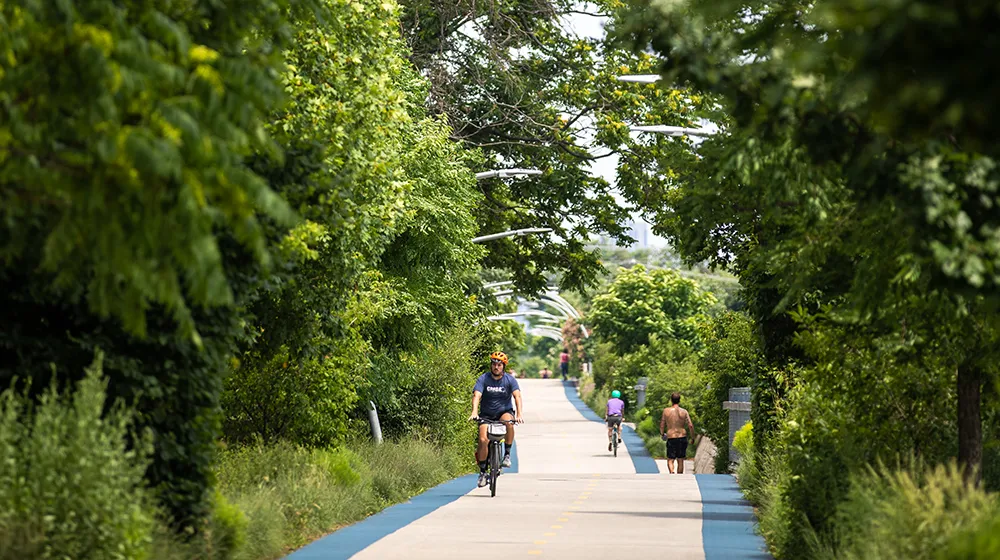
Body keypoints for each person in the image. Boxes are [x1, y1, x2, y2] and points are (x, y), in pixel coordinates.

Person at [469, 351, 524, 488]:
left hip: (503, 412)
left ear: (503, 366)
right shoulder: (484, 379)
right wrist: (474, 412)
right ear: (491, 366)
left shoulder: (510, 380)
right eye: (494, 364)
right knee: (483, 440)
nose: (496, 367)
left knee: (508, 423)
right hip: (486, 415)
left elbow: (517, 396)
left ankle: (506, 454)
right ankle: (482, 472)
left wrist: (519, 414)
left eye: (499, 365)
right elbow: (477, 396)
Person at [659, 392, 694, 474]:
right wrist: (692, 437)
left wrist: (662, 434)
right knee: (680, 460)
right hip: (682, 436)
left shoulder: (666, 411)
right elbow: (690, 425)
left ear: (671, 400)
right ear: (679, 400)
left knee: (670, 459)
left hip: (671, 437)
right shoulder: (684, 411)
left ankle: (671, 472)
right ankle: (679, 476)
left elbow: (662, 424)